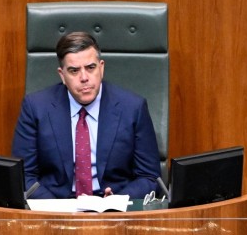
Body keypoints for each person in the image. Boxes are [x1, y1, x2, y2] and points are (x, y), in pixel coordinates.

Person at [11, 31, 161, 199]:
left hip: (113, 209)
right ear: (62, 75)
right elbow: (24, 176)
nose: (84, 78)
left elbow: (150, 177)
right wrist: (57, 211)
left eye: (90, 68)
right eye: (74, 71)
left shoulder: (133, 107)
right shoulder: (35, 107)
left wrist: (118, 201)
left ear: (101, 67)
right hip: (55, 207)